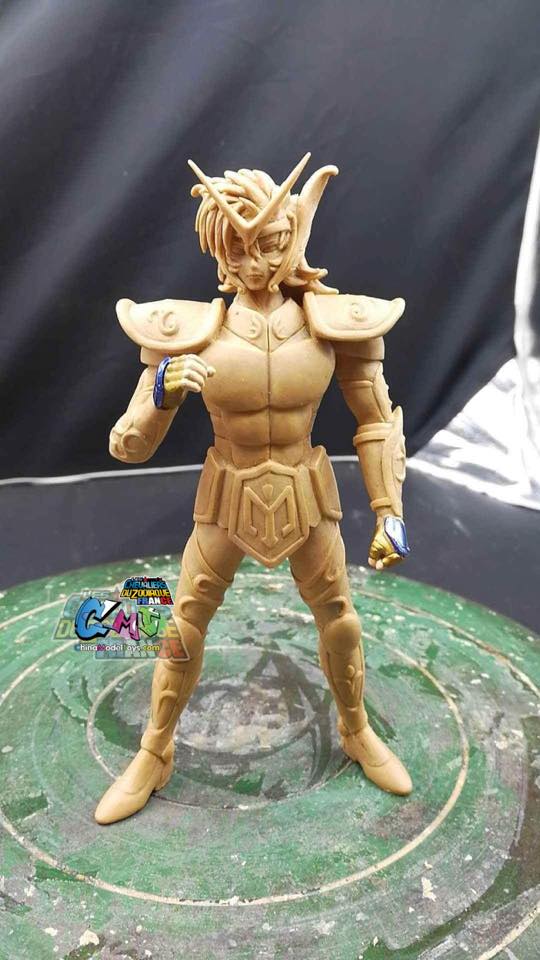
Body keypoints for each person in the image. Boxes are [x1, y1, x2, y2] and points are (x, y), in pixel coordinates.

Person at [95, 153, 412, 825]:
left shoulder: (334, 323)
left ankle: (356, 730)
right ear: (218, 252)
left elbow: (377, 420)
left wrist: (390, 513)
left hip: (306, 493)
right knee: (182, 623)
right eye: (237, 248)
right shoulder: (190, 332)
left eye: (268, 243)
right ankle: (154, 751)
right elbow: (128, 445)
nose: (255, 261)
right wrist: (161, 392)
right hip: (227, 496)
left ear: (292, 236)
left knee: (341, 619)